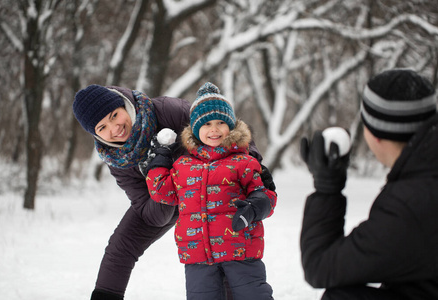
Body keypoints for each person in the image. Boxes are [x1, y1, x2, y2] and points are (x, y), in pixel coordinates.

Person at [72, 84, 276, 300]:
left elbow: (224, 126)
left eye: (114, 115)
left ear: (124, 105)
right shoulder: (116, 159)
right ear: (95, 134)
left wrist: (255, 166)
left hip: (215, 186)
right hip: (165, 197)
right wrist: (159, 177)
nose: (115, 128)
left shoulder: (168, 111)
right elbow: (149, 213)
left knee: (223, 249)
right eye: (102, 127)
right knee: (121, 245)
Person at [299, 68, 438, 299]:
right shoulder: (424, 178)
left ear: (375, 135)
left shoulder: (412, 202)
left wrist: (326, 188)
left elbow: (320, 266)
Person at [141, 82, 277, 299]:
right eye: (206, 124)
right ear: (195, 129)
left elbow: (265, 196)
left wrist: (253, 208)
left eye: (221, 122)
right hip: (197, 255)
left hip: (241, 248)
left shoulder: (244, 162)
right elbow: (161, 192)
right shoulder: (182, 165)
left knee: (254, 295)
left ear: (231, 127)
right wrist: (160, 157)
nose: (214, 129)